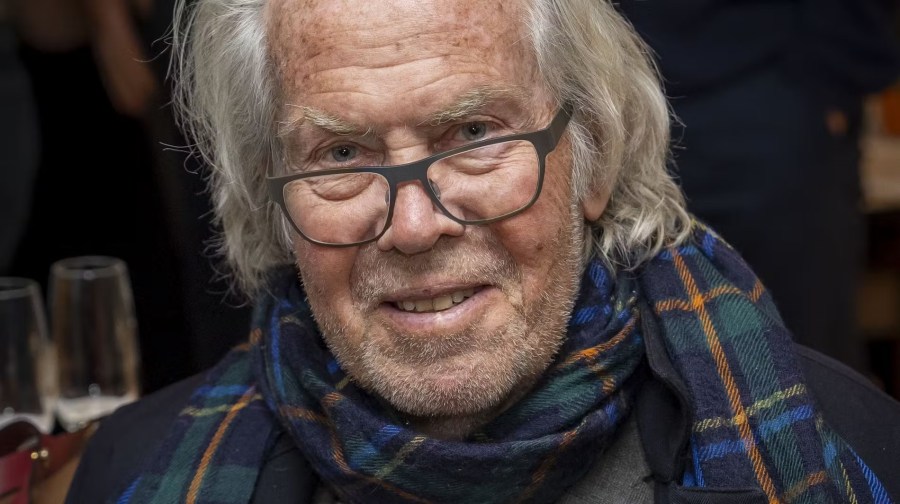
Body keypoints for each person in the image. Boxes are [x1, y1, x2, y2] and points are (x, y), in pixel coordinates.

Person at [66, 0, 900, 502]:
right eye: (341, 155)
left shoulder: (849, 454)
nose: (414, 225)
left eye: (472, 135)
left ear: (593, 157)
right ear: (270, 195)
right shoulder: (135, 475)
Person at [616, 0, 900, 373]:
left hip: (777, 99)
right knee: (658, 361)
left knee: (806, 360)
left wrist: (834, 80)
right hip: (635, 94)